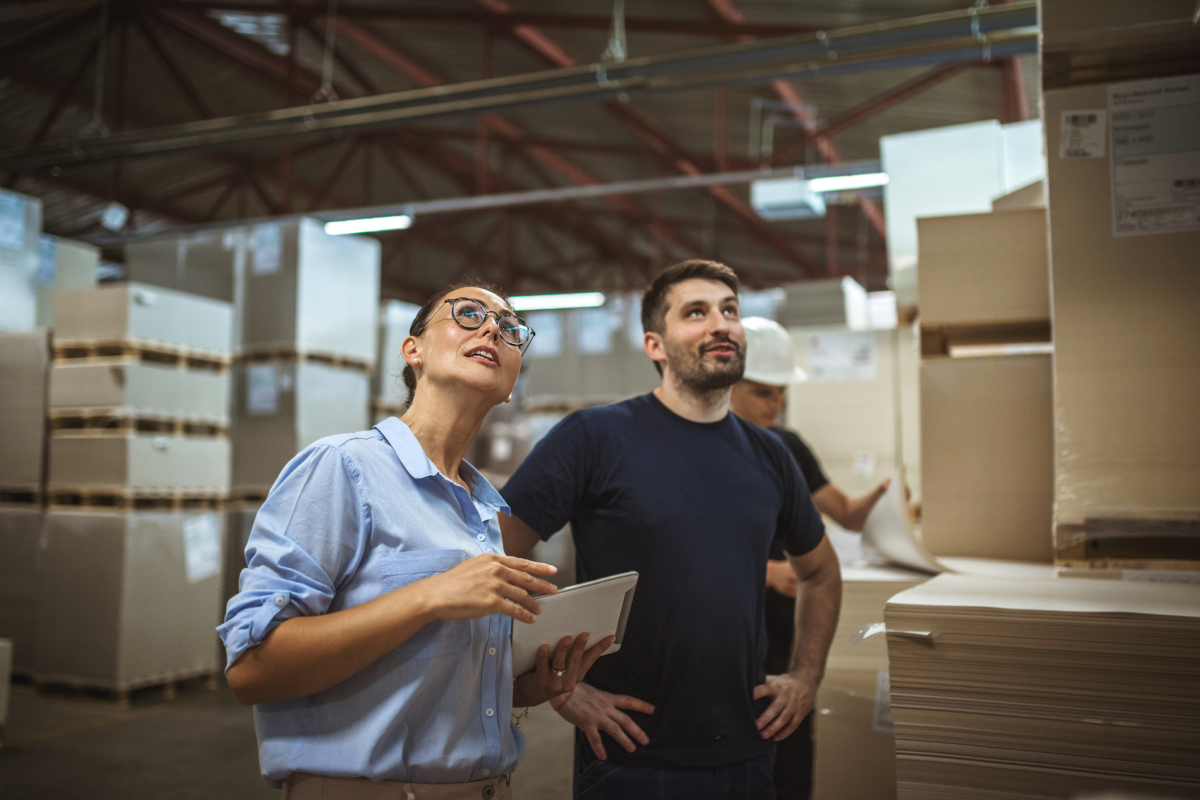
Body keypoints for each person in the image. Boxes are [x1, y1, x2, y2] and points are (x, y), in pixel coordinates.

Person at [218, 280, 614, 800]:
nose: (494, 328)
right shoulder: (343, 467)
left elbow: (425, 682)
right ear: (414, 351)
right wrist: (429, 596)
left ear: (513, 383)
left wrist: (527, 687)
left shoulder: (484, 510)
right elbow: (252, 669)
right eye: (469, 314)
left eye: (511, 329)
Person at [499, 260, 843, 800]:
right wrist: (564, 692)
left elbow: (821, 572)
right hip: (629, 755)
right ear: (655, 345)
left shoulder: (772, 455)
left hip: (747, 752)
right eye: (697, 312)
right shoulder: (594, 438)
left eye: (730, 311)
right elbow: (492, 556)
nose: (721, 324)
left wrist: (805, 676)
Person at [729, 316, 891, 800]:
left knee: (791, 764)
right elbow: (678, 556)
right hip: (727, 634)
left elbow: (847, 513)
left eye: (781, 393)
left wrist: (888, 502)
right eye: (763, 392)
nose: (775, 404)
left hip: (782, 631)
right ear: (731, 383)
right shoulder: (701, 452)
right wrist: (767, 571)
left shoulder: (787, 445)